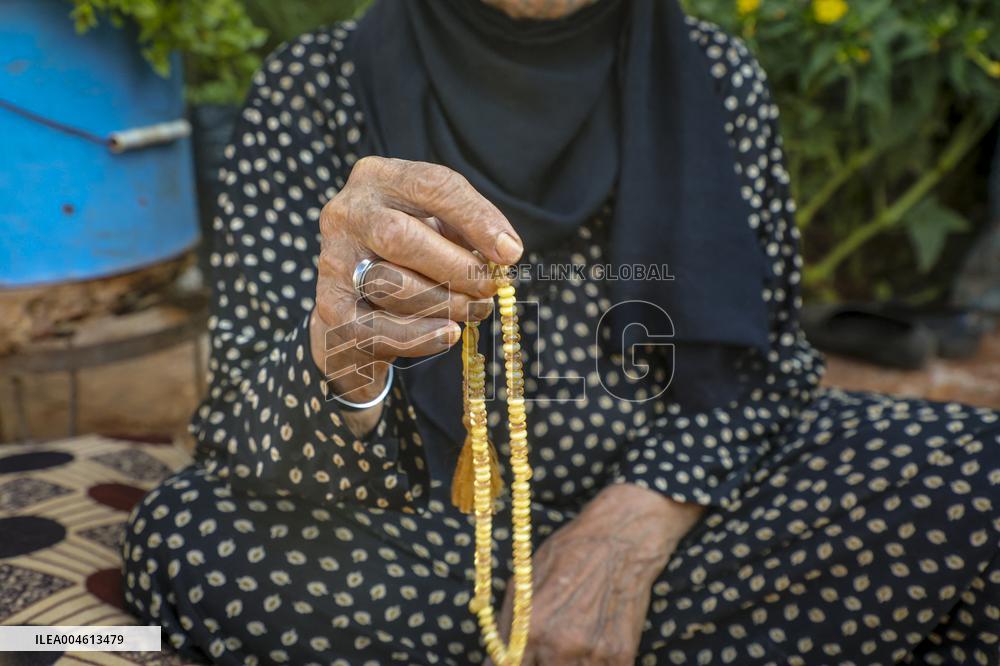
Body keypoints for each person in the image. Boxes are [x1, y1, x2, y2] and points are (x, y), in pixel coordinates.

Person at [122, 1, 999, 663]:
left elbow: (764, 368)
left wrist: (633, 527)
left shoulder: (715, 76)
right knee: (190, 537)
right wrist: (346, 351)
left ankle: (580, 620)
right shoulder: (310, 87)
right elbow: (246, 424)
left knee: (978, 477)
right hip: (417, 530)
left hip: (689, 515)